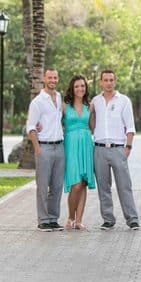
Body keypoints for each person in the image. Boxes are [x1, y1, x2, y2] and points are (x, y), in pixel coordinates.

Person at [92, 70, 140, 230]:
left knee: (124, 185)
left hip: (118, 148)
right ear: (101, 82)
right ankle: (108, 219)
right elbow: (90, 124)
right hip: (99, 150)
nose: (109, 83)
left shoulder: (124, 100)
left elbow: (130, 126)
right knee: (103, 186)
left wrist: (128, 146)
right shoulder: (95, 101)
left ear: (115, 81)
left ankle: (132, 218)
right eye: (105, 80)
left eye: (111, 80)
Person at [26, 68, 65, 232]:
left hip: (59, 147)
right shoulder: (37, 102)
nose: (53, 80)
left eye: (55, 77)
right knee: (43, 186)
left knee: (57, 186)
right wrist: (37, 149)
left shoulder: (59, 97)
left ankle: (53, 218)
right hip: (44, 147)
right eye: (50, 77)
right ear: (44, 79)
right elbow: (30, 127)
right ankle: (43, 219)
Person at [63, 75, 96, 231]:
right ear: (72, 88)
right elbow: (56, 124)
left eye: (82, 86)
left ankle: (79, 220)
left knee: (82, 183)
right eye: (77, 86)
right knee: (75, 184)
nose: (80, 89)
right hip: (70, 145)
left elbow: (93, 127)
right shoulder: (64, 106)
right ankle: (70, 216)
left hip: (86, 144)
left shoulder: (90, 106)